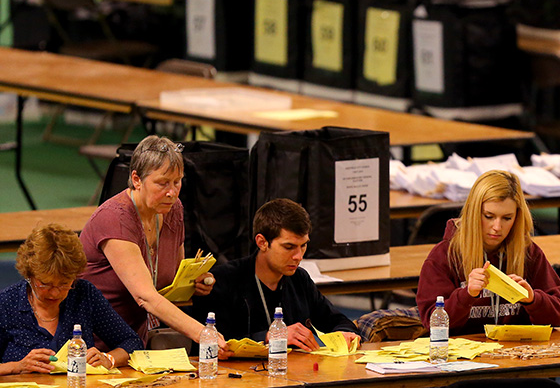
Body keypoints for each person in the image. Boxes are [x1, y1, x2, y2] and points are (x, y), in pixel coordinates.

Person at [79, 136, 228, 354]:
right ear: (137, 179)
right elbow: (145, 296)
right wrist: (201, 332)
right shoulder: (115, 218)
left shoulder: (172, 208)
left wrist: (193, 283)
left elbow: (172, 279)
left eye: (177, 182)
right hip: (94, 346)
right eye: (162, 183)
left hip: (136, 343)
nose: (172, 192)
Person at [416, 170, 560, 335]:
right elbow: (432, 322)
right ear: (473, 213)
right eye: (489, 216)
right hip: (462, 356)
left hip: (514, 354)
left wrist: (533, 299)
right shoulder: (444, 255)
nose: (497, 227)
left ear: (517, 217)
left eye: (507, 218)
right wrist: (466, 295)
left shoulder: (528, 252)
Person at [192, 198, 360, 351]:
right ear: (262, 242)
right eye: (289, 247)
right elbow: (216, 342)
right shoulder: (225, 280)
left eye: (303, 246)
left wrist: (345, 333)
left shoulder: (299, 279)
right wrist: (268, 337)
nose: (299, 256)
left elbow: (339, 321)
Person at [0, 224, 142, 375]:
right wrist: (17, 366)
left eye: (64, 284)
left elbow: (132, 342)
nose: (54, 293)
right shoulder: (7, 303)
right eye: (45, 284)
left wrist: (108, 358)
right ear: (29, 275)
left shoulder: (84, 294)